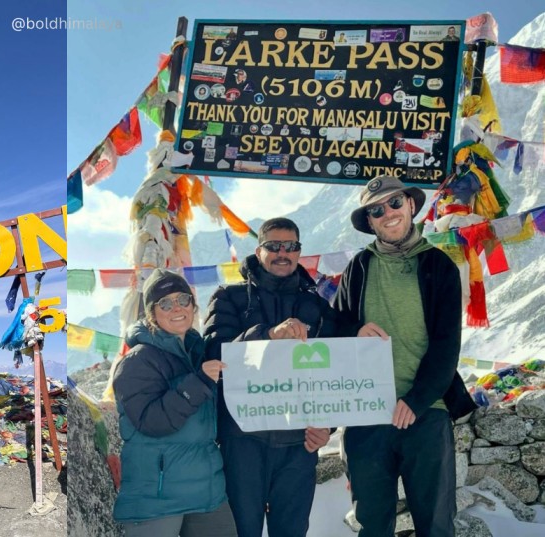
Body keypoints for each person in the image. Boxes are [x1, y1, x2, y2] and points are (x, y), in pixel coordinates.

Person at [334, 176, 476, 536]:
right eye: (376, 210)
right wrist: (355, 330)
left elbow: (447, 344)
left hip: (426, 412)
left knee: (435, 524)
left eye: (395, 202)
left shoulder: (438, 266)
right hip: (366, 415)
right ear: (370, 222)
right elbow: (335, 328)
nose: (389, 213)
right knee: (372, 525)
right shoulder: (358, 268)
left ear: (411, 205)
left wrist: (416, 399)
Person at [202, 217, 338, 537]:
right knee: (240, 531)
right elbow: (214, 355)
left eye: (290, 246)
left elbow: (335, 371)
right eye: (274, 246)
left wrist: (327, 425)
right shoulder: (229, 297)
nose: (282, 253)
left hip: (298, 444)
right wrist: (267, 335)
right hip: (242, 441)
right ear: (258, 251)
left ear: (299, 251)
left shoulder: (317, 306)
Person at [112, 269, 236, 537]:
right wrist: (198, 383)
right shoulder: (137, 360)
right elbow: (152, 422)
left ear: (193, 305)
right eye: (165, 303)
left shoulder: (198, 353)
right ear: (152, 314)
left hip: (208, 492)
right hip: (156, 498)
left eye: (183, 299)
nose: (176, 307)